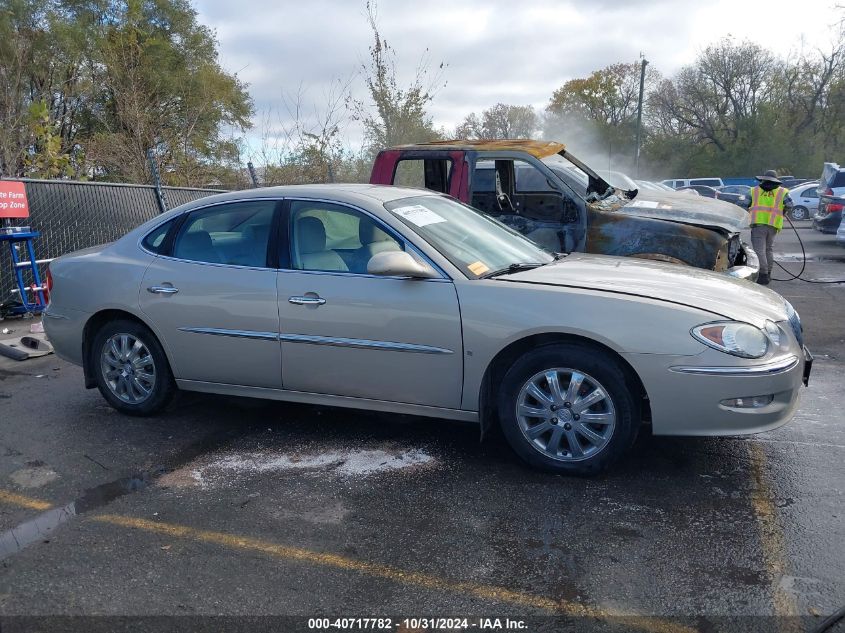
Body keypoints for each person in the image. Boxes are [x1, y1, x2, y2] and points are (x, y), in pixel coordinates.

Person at [747, 170, 793, 285]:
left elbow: (743, 204)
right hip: (773, 225)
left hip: (758, 225)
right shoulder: (782, 192)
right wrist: (784, 211)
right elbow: (790, 205)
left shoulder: (754, 191)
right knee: (768, 249)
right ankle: (768, 273)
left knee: (759, 251)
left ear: (762, 179)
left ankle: (763, 275)